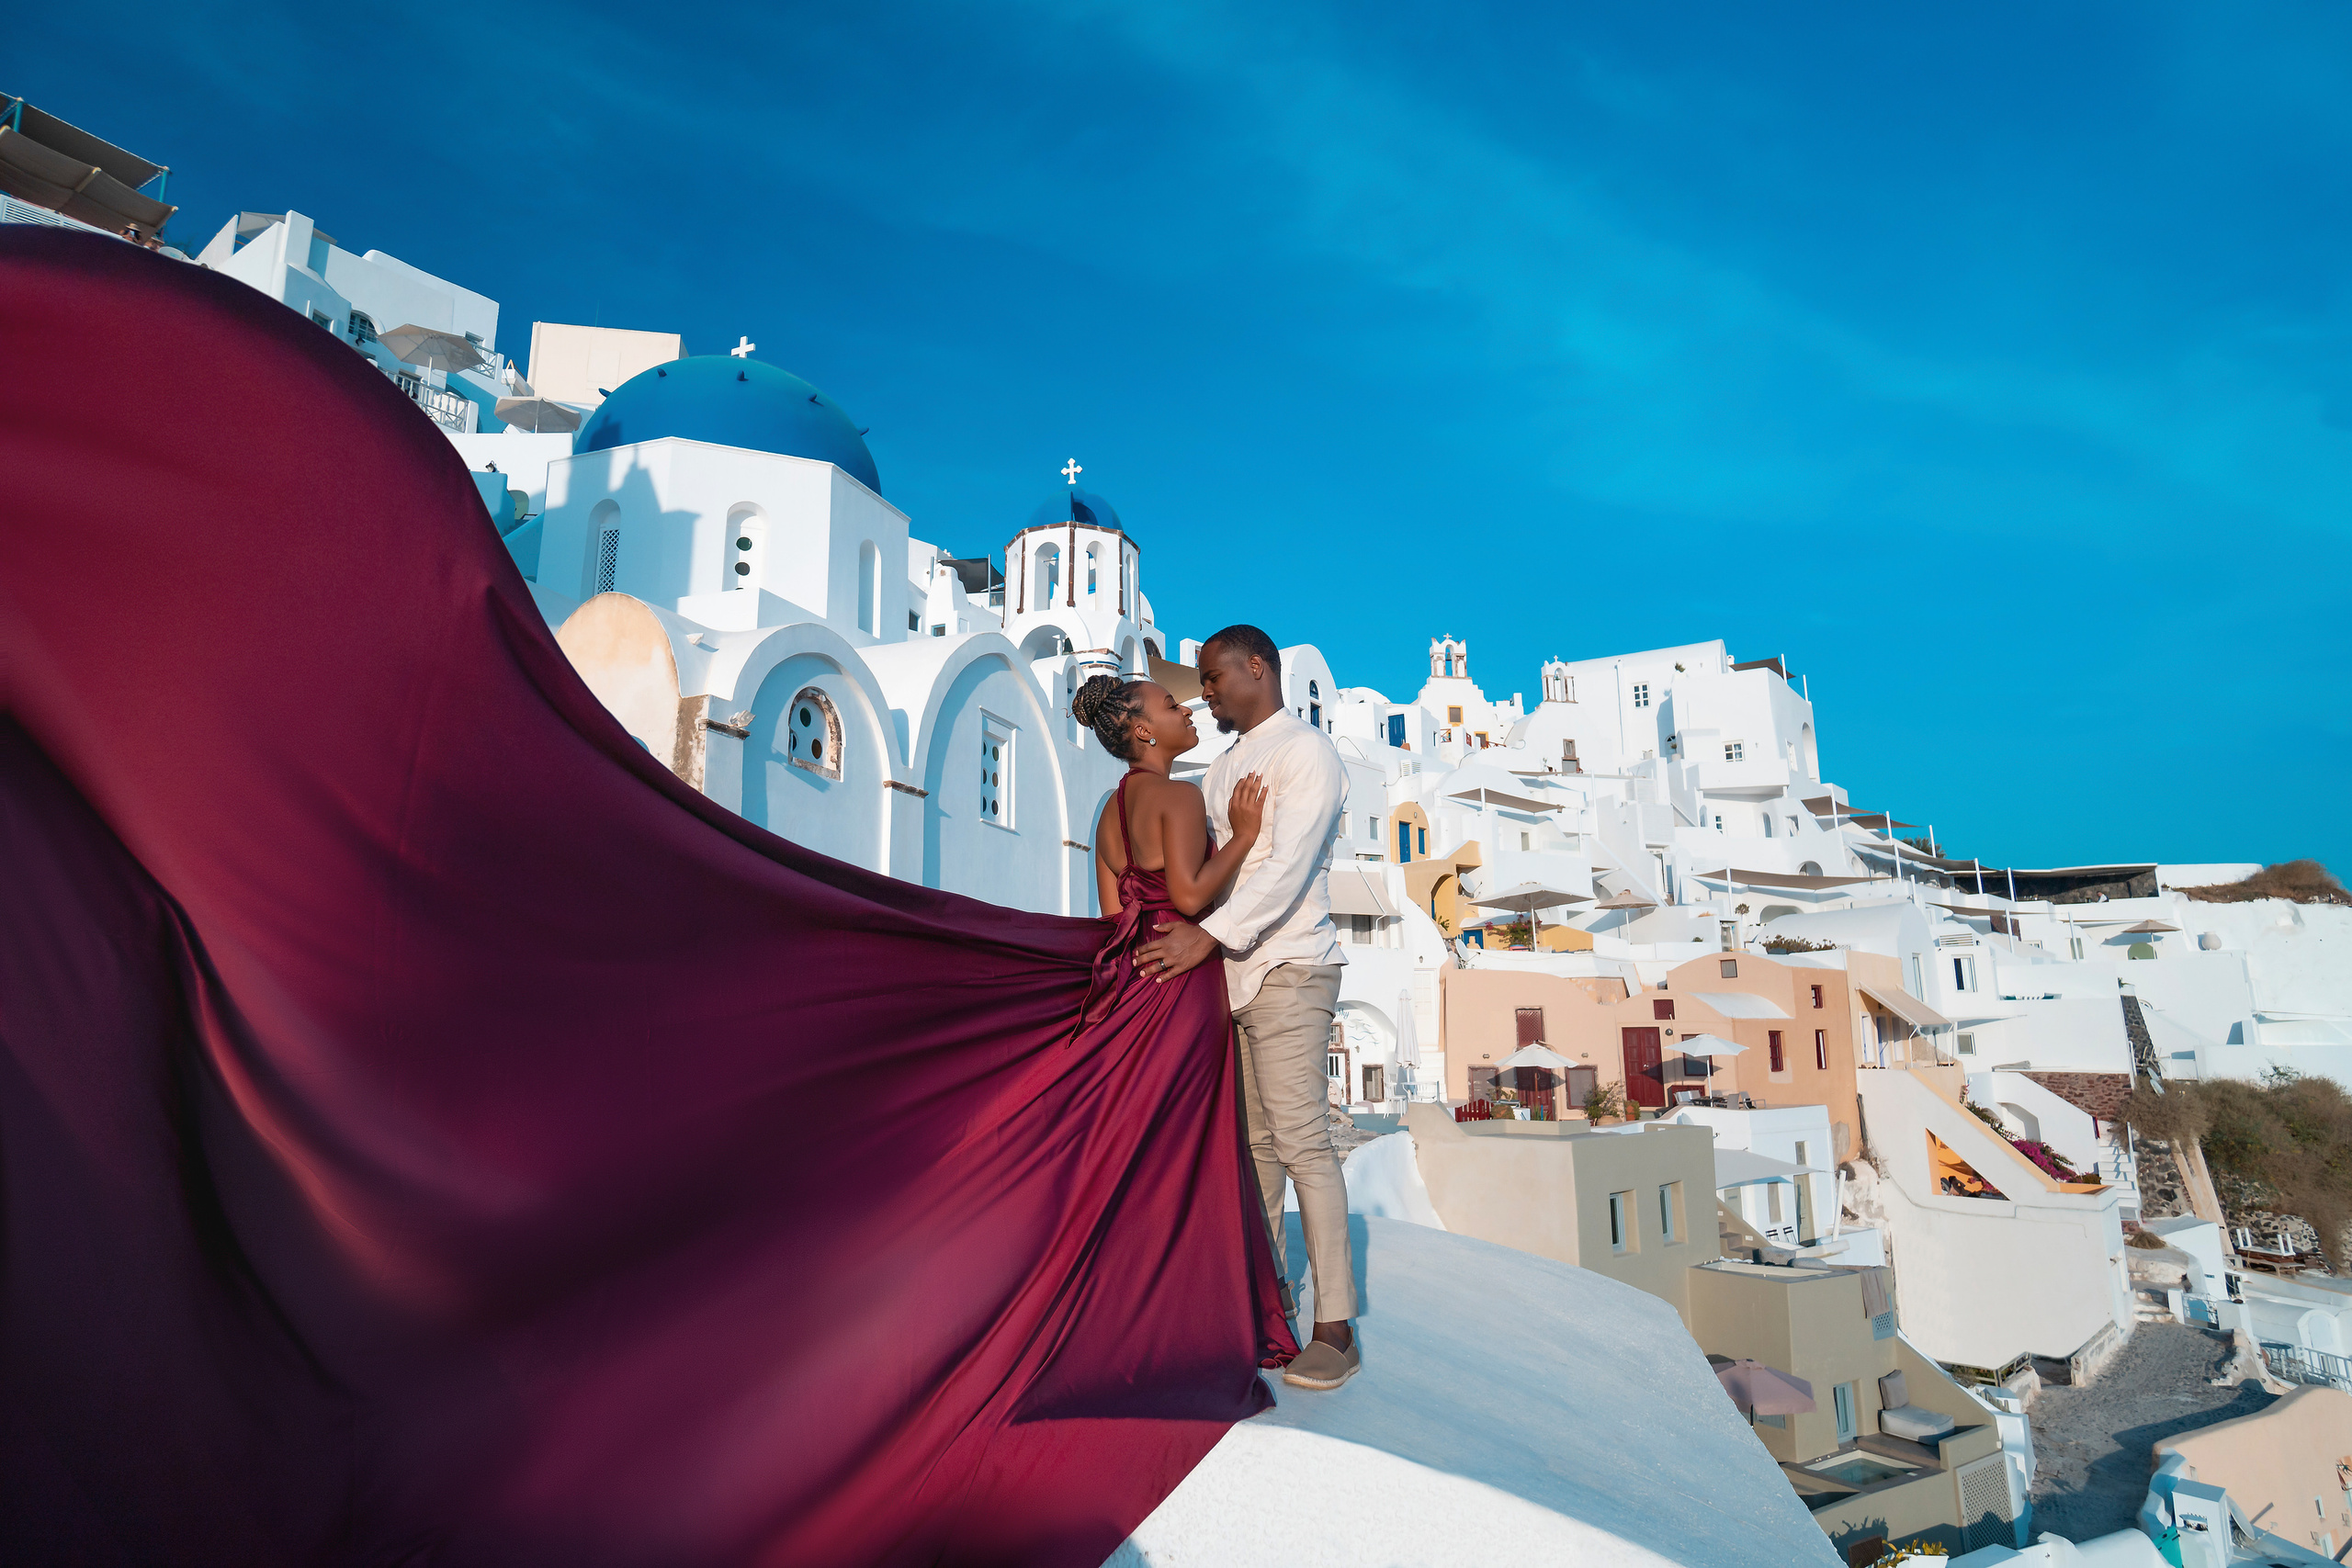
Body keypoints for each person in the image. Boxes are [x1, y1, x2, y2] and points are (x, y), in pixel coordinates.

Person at [1135, 626, 1359, 1392]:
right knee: (1255, 1150)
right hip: (1232, 976)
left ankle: (1336, 1325)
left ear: (1255, 668)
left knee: (1301, 1141)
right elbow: (1207, 868)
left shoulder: (1306, 753)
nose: (1204, 692)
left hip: (1291, 964)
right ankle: (1263, 1312)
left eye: (1211, 677)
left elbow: (1289, 869)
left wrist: (1206, 937)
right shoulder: (1222, 766)